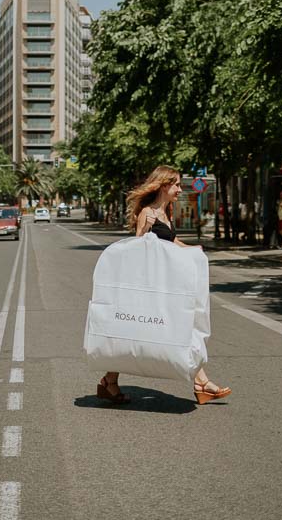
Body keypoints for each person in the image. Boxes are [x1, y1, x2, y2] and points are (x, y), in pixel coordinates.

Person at [96, 165, 231, 406]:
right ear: (164, 185)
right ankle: (109, 381)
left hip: (165, 282)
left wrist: (191, 249)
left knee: (161, 330)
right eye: (177, 184)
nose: (180, 189)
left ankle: (199, 382)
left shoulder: (166, 211)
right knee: (138, 332)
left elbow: (171, 240)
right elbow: (137, 247)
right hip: (152, 286)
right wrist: (144, 229)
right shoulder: (147, 212)